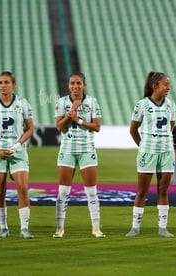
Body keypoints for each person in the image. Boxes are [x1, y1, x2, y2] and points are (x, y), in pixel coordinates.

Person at [0, 71, 34, 239]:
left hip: (17, 151)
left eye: (7, 82)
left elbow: (30, 128)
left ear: (13, 84)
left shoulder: (23, 103)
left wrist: (17, 145)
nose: (3, 85)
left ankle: (24, 228)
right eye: (0, 82)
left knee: (23, 188)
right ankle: (3, 228)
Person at [53, 72, 105, 238]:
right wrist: (71, 113)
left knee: (91, 192)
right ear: (68, 86)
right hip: (67, 150)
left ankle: (96, 228)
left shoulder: (92, 102)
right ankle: (59, 229)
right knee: (63, 191)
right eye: (72, 83)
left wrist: (79, 120)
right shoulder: (61, 102)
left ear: (84, 85)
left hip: (86, 150)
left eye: (78, 83)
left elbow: (97, 127)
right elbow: (59, 127)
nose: (75, 86)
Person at [126, 71, 176, 238]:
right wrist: (143, 146)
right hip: (148, 151)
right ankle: (135, 227)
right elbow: (133, 130)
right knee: (142, 192)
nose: (168, 88)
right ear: (155, 86)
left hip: (167, 152)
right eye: (165, 84)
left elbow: (172, 125)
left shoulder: (170, 104)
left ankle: (163, 228)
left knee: (163, 190)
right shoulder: (142, 105)